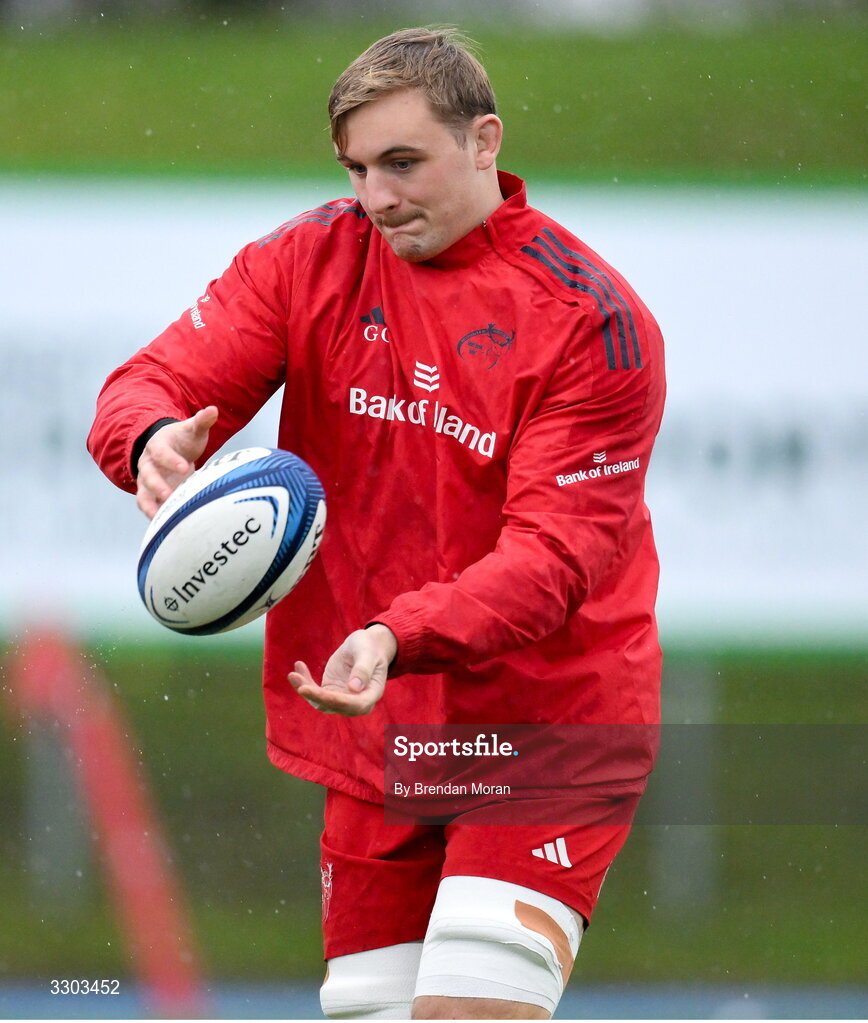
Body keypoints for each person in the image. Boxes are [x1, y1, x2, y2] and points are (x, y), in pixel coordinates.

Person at [88, 26, 665, 1020]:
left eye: (404, 163)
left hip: (543, 729)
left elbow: (551, 561)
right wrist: (147, 443)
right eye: (356, 168)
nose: (376, 197)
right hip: (376, 733)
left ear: (485, 141)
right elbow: (149, 381)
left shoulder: (591, 322)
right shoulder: (313, 258)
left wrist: (398, 632)